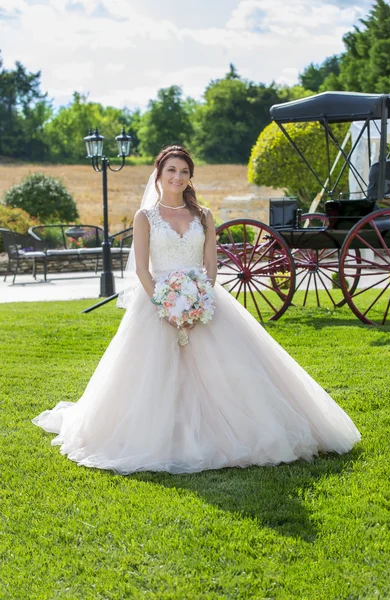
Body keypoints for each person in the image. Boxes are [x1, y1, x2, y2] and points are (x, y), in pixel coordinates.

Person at [32, 145, 361, 474]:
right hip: (156, 303)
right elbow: (142, 271)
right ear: (158, 175)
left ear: (191, 178)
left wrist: (199, 298)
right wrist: (165, 305)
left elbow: (211, 267)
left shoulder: (203, 215)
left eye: (184, 171)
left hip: (203, 299)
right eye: (171, 170)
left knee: (233, 373)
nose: (177, 177)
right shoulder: (145, 217)